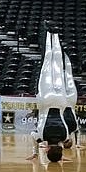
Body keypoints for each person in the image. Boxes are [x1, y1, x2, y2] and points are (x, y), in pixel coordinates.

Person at [27, 28, 74, 163]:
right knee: (48, 63)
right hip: (46, 99)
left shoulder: (65, 136)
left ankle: (56, 34)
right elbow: (32, 135)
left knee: (58, 65)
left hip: (61, 100)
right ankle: (49, 33)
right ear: (46, 150)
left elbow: (65, 142)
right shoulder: (41, 137)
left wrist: (60, 151)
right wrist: (35, 152)